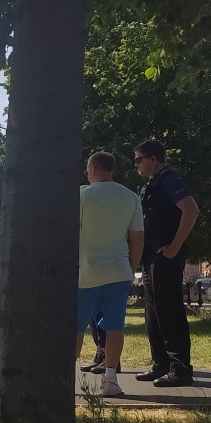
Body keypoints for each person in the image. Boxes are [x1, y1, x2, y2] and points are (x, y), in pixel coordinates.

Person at [76, 151, 144, 397]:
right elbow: (137, 239)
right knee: (115, 326)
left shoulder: (82, 196)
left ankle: (64, 377)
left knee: (76, 327)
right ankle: (111, 379)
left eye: (87, 170)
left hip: (87, 272)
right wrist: (131, 269)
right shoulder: (131, 197)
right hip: (119, 270)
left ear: (93, 169)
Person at [133, 138, 200, 387]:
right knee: (153, 312)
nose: (136, 165)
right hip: (151, 255)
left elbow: (191, 210)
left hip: (165, 256)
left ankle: (180, 369)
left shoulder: (170, 179)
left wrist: (174, 246)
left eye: (138, 160)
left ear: (153, 159)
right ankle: (161, 364)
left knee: (169, 311)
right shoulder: (154, 183)